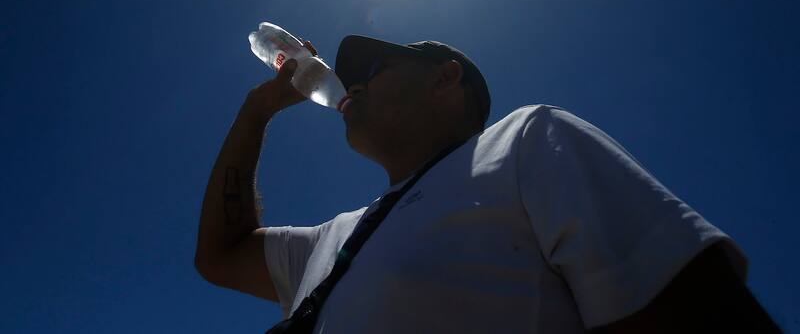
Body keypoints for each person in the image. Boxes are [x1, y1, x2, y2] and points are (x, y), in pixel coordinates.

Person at [195, 35, 781, 333]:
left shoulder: (526, 142)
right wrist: (257, 111)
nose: (354, 85)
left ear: (445, 78)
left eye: (374, 68)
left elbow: (693, 312)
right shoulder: (338, 238)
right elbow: (220, 257)